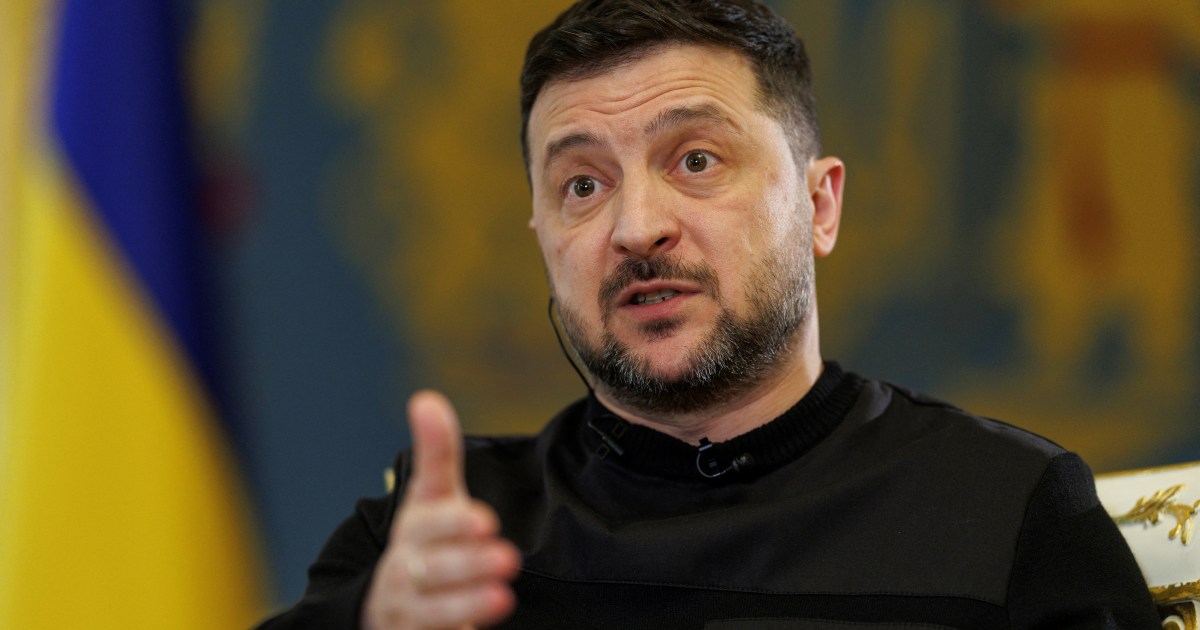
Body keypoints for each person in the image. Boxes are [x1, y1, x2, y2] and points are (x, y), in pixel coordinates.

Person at [259, 1, 1160, 628]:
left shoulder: (1004, 509)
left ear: (820, 206)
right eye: (582, 185)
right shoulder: (441, 544)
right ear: (542, 235)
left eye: (695, 160)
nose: (635, 228)